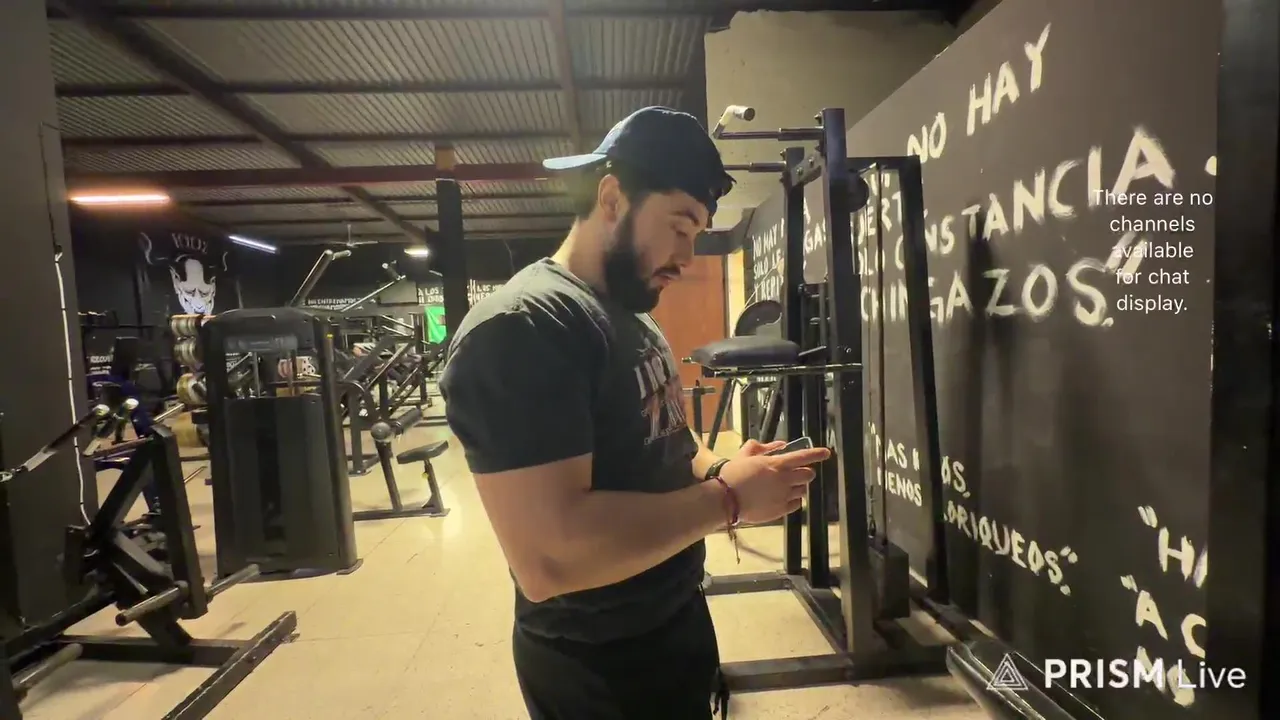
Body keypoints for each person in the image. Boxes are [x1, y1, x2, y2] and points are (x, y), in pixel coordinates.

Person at [439, 106, 832, 720]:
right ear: (612, 198)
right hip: (599, 667)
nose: (687, 256)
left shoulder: (630, 315)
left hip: (670, 621)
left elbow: (670, 442)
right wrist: (728, 500)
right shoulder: (525, 327)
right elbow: (549, 557)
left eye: (698, 234)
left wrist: (722, 468)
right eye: (680, 227)